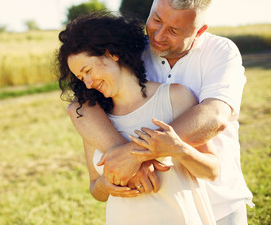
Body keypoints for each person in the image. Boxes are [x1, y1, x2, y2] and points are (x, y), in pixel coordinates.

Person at [66, 0, 254, 224]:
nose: (158, 35)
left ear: (199, 30)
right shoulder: (132, 51)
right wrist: (120, 156)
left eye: (174, 30)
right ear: (154, 3)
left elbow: (215, 117)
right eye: (156, 19)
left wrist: (135, 156)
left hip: (219, 199)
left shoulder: (220, 52)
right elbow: (82, 105)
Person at [57, 12, 220, 224]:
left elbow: (212, 170)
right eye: (81, 77)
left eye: (88, 70)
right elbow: (95, 188)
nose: (87, 83)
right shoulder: (92, 119)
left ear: (111, 53)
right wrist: (107, 184)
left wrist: (179, 149)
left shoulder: (175, 97)